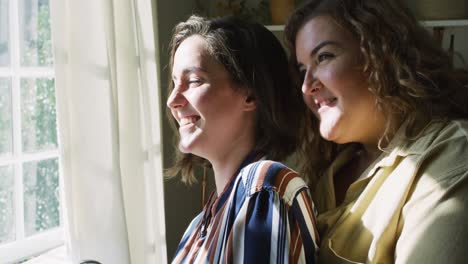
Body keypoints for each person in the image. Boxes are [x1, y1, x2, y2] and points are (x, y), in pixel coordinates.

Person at [284, 0, 468, 263]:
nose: (307, 86)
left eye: (324, 57)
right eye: (303, 70)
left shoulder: (452, 156)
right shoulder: (325, 169)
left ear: (381, 54)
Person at [166, 15, 319, 263]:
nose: (172, 100)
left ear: (250, 94)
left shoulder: (264, 188)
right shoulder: (197, 227)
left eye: (193, 81)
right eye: (174, 83)